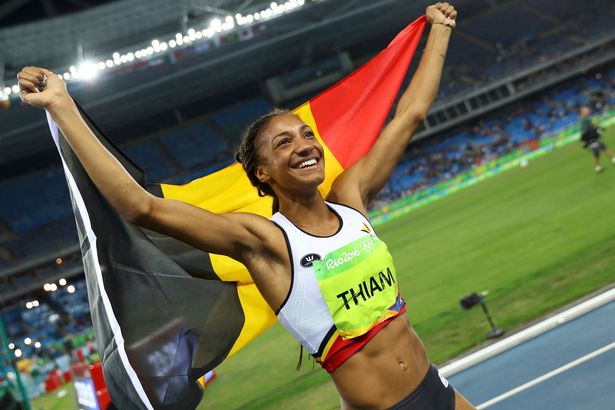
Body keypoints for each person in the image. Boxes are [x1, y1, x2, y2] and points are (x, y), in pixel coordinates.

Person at [18, 3, 474, 409]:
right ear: (263, 173)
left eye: (306, 134)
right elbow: (143, 209)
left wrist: (440, 28)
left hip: (436, 389)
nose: (305, 145)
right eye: (284, 143)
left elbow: (410, 114)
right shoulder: (263, 242)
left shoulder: (352, 199)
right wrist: (62, 106)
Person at [579, 105, 615, 173]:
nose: (588, 110)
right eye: (586, 110)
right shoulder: (583, 121)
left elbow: (593, 126)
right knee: (596, 153)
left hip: (595, 138)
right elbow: (584, 132)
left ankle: (612, 159)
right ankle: (597, 167)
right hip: (592, 140)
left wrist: (600, 128)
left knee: (604, 148)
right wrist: (583, 142)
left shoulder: (587, 119)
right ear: (582, 112)